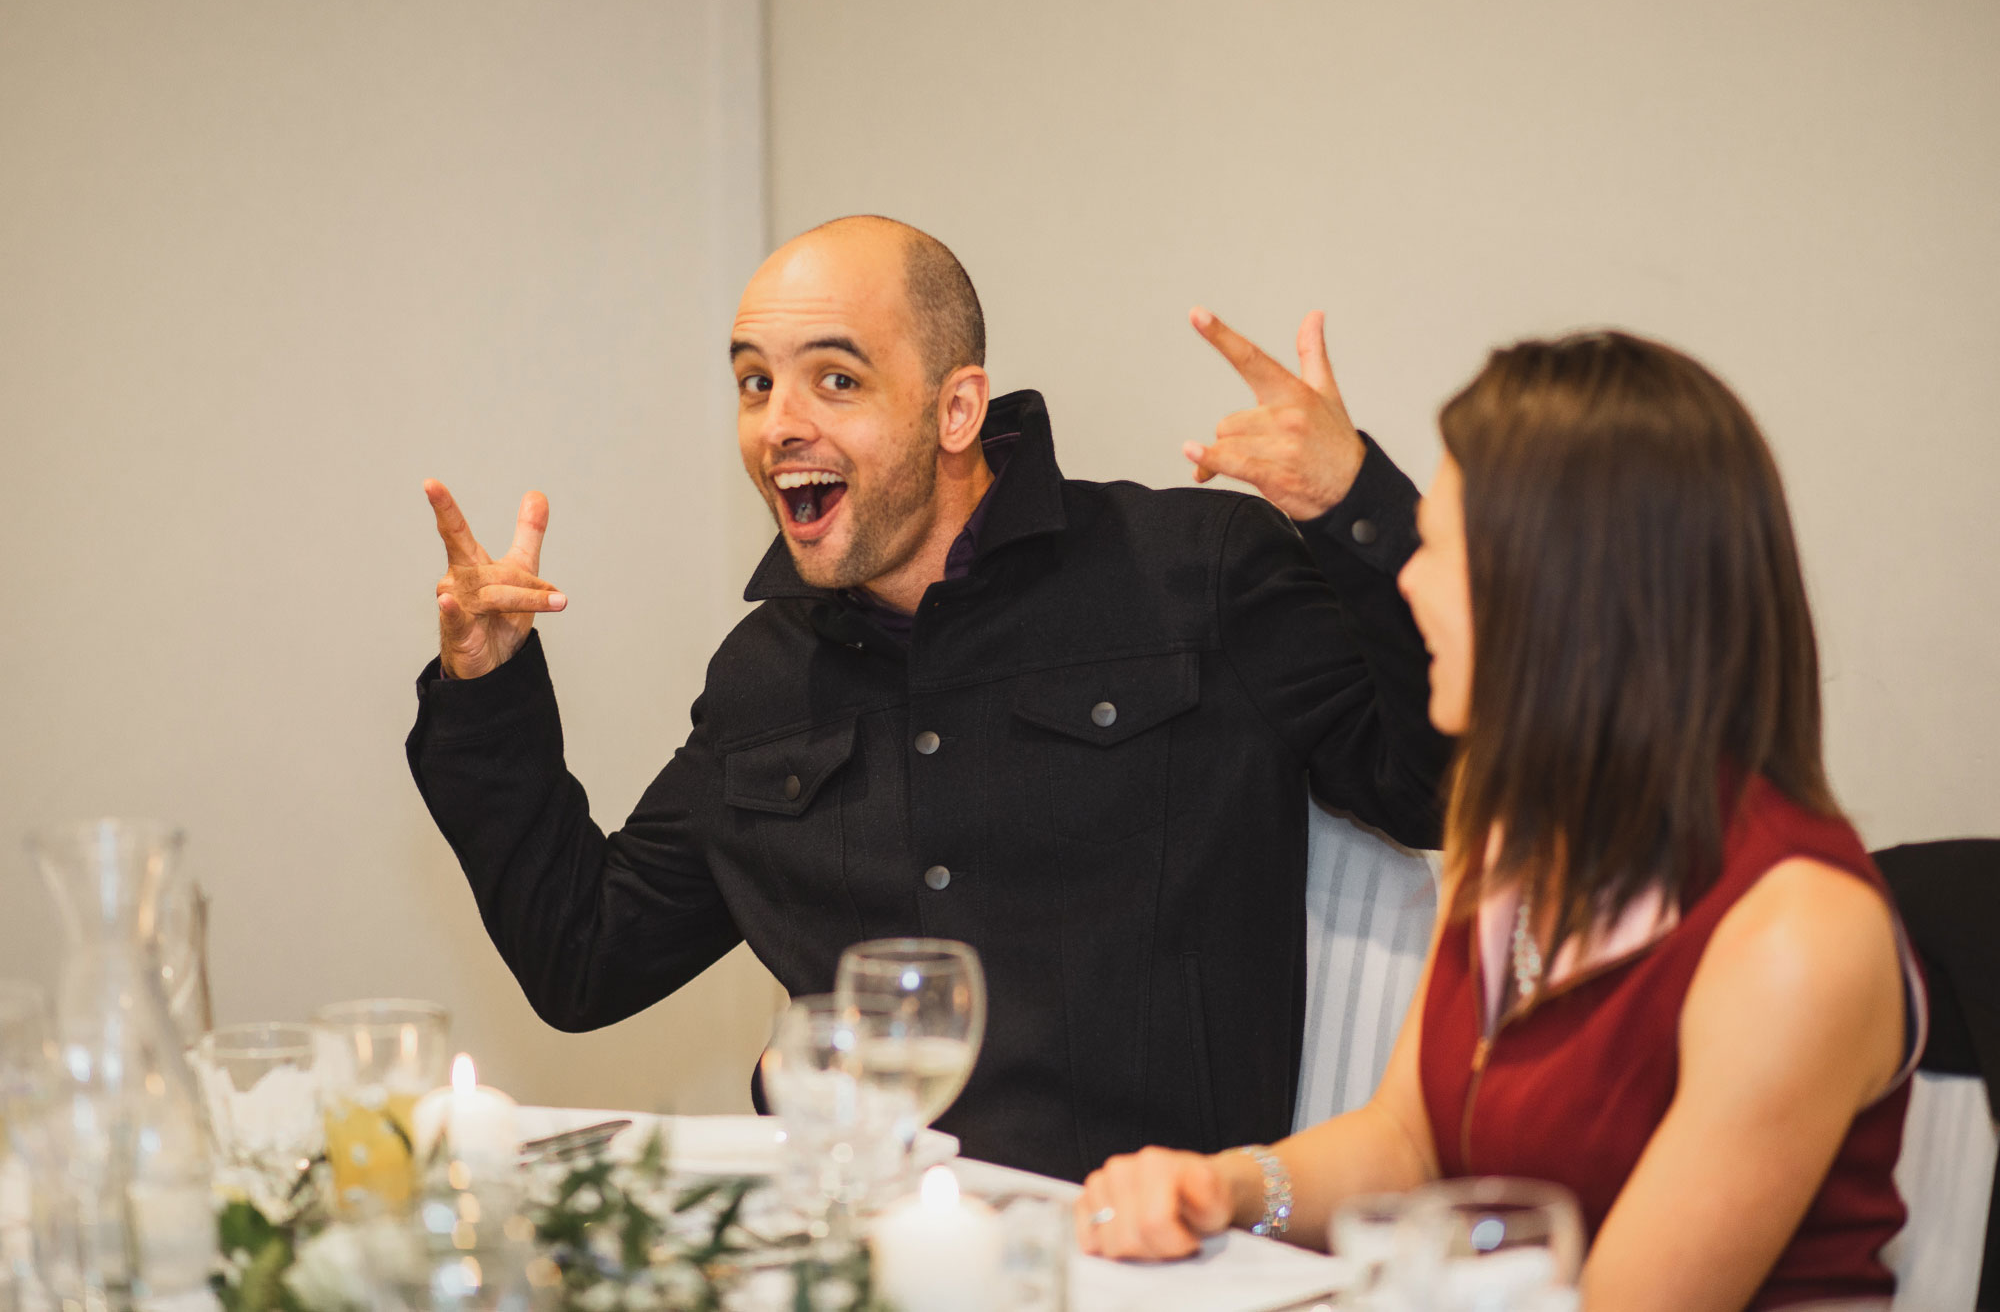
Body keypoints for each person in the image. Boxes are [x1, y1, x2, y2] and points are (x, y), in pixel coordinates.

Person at [405, 216, 1450, 1183]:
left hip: (1141, 1261)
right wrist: (484, 688)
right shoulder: (763, 677)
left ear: (955, 409)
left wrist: (1356, 505)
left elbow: (1436, 789)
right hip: (861, 1257)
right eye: (754, 383)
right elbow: (584, 954)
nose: (779, 423)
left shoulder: (1193, 573)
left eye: (835, 380)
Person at [1076, 331, 1924, 1309]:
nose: (1411, 582)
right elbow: (1409, 1138)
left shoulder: (1794, 935)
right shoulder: (1509, 823)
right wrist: (1225, 1186)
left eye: (1442, 545)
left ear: (1573, 598)